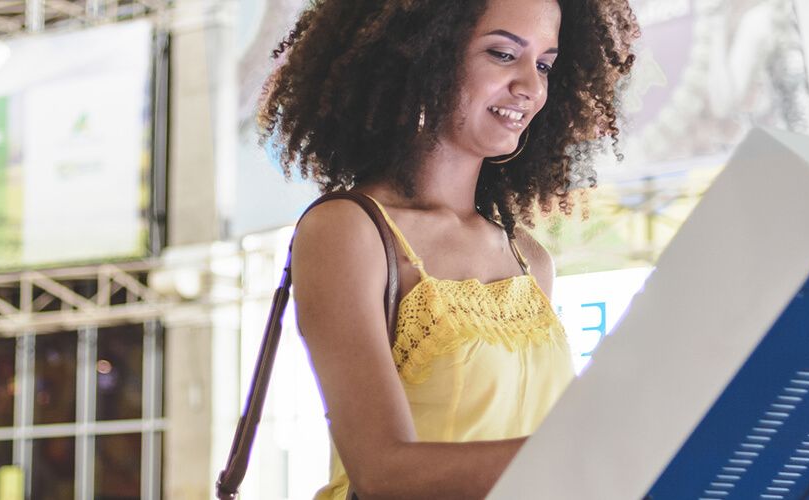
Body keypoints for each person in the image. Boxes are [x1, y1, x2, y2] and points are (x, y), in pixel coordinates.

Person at [256, 0, 638, 497]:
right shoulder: (350, 231)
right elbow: (383, 472)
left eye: (544, 64)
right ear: (425, 54)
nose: (531, 86)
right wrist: (586, 449)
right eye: (503, 54)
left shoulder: (528, 259)